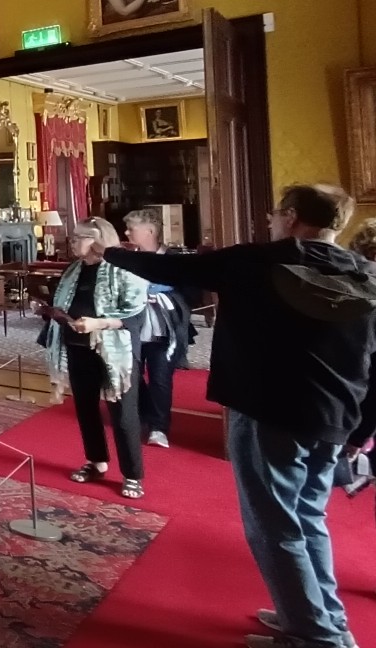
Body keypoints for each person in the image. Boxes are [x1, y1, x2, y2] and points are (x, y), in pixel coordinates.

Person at [104, 184, 376, 648]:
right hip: (334, 417)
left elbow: (173, 268)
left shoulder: (257, 262)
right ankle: (321, 619)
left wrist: (111, 251)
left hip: (268, 411)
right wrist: (362, 428)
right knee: (308, 518)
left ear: (292, 217)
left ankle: (315, 636)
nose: (271, 220)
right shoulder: (365, 273)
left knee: (275, 527)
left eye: (276, 213)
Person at [38, 217, 150, 499]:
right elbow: (64, 303)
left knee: (123, 414)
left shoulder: (123, 269)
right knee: (86, 408)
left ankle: (132, 474)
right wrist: (52, 311)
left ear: (99, 240)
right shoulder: (73, 269)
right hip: (77, 345)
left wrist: (98, 324)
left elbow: (135, 317)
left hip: (115, 351)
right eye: (73, 237)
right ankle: (97, 461)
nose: (73, 242)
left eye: (80, 237)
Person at [123, 208, 195, 448]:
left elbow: (191, 293)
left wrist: (164, 293)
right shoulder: (127, 259)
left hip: (165, 331)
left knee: (161, 378)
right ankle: (145, 413)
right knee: (131, 375)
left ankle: (158, 427)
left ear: (150, 231)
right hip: (133, 328)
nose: (126, 233)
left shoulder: (173, 260)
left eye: (131, 229)